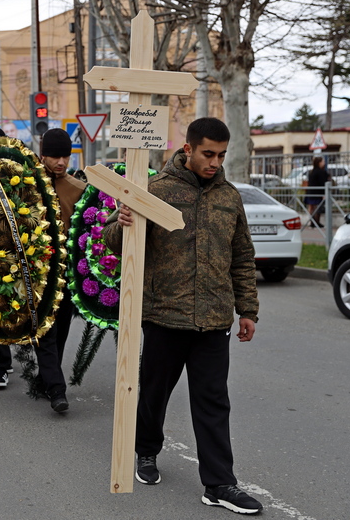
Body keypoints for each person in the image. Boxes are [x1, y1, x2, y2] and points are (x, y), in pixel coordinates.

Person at [102, 117, 262, 515]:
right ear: (188, 149)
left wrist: (248, 309)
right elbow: (115, 243)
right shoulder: (155, 191)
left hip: (212, 320)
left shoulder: (229, 196)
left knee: (213, 402)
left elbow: (242, 256)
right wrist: (122, 223)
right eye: (208, 153)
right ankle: (146, 451)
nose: (215, 162)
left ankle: (219, 484)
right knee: (154, 393)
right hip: (164, 318)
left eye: (221, 155)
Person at [0, 128, 85, 414]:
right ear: (42, 155)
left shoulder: (78, 189)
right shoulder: (24, 184)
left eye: (66, 156)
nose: (60, 161)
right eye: (55, 155)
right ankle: (57, 390)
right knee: (45, 331)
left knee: (63, 328)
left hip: (65, 273)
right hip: (35, 273)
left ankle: (46, 379)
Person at [306, 156, 329, 228]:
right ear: (319, 163)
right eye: (323, 162)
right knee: (317, 208)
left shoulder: (311, 172)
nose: (324, 163)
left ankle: (312, 223)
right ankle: (316, 223)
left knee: (312, 207)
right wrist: (323, 194)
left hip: (310, 192)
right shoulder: (321, 172)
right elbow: (322, 183)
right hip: (317, 193)